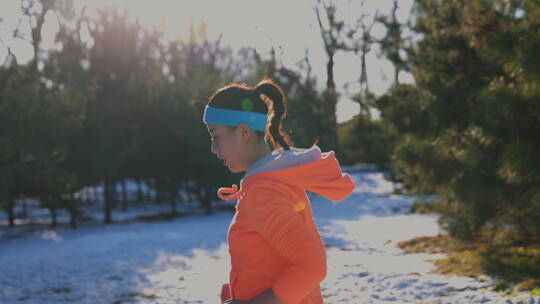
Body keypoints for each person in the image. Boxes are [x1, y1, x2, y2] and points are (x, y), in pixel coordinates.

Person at [203, 78, 355, 304]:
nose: (213, 149)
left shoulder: (263, 193)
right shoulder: (272, 179)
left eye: (216, 136)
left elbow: (312, 267)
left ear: (244, 132)